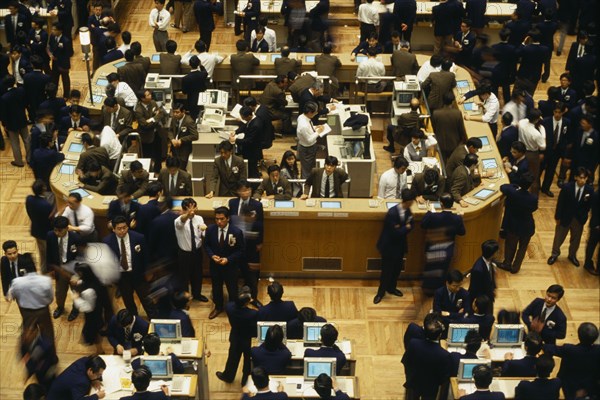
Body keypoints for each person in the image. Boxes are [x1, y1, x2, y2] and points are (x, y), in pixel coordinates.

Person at [374, 188, 415, 304]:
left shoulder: (408, 212)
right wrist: (405, 228)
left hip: (400, 246)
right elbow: (395, 232)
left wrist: (403, 227)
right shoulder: (392, 213)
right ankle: (380, 293)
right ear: (407, 201)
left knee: (397, 269)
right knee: (386, 271)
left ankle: (391, 288)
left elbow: (411, 225)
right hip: (389, 247)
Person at [104, 216, 150, 316]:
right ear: (113, 229)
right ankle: (134, 319)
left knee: (146, 299)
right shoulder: (107, 242)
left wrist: (147, 272)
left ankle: (154, 318)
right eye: (119, 229)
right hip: (122, 276)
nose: (122, 231)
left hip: (138, 273)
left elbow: (145, 256)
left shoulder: (138, 237)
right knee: (128, 300)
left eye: (124, 227)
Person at [548, 167, 594, 267]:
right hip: (565, 217)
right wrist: (557, 217)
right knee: (559, 237)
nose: (582, 180)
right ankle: (554, 254)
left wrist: (584, 218)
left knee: (576, 239)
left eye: (584, 178)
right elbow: (560, 204)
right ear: (575, 177)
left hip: (579, 219)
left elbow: (589, 206)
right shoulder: (567, 188)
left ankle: (572, 255)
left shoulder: (589, 190)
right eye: (580, 178)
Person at [421, 193, 466, 293]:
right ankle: (439, 290)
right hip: (447, 249)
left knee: (430, 269)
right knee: (443, 270)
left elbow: (423, 224)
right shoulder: (457, 218)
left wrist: (429, 211)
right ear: (453, 204)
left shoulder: (433, 216)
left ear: (441, 204)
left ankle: (428, 290)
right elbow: (462, 232)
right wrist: (461, 219)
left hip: (433, 248)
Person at [228, 180, 264, 304]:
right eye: (243, 190)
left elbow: (260, 224)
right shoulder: (232, 203)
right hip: (235, 243)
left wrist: (260, 242)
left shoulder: (257, 205)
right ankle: (236, 297)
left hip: (251, 244)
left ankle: (254, 297)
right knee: (235, 271)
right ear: (238, 191)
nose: (246, 192)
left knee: (253, 273)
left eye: (248, 190)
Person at [205, 207, 245, 319]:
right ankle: (218, 307)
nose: (219, 221)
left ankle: (233, 308)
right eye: (216, 219)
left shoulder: (236, 232)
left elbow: (240, 250)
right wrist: (212, 255)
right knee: (216, 288)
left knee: (232, 289)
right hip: (215, 266)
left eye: (221, 219)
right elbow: (206, 245)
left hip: (230, 267)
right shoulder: (210, 230)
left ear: (228, 218)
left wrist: (228, 259)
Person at [545, 322, 600, 400]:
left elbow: (549, 349)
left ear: (579, 335)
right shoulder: (598, 350)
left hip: (570, 386)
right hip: (591, 386)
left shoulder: (569, 349)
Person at [402, 314, 451, 400]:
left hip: (414, 382)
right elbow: (444, 379)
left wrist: (409, 377)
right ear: (439, 335)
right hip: (430, 388)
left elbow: (406, 361)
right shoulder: (444, 355)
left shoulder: (413, 343)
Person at [216, 287, 258, 385]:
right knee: (248, 359)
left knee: (232, 357)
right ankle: (245, 380)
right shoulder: (252, 314)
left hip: (235, 335)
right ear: (246, 303)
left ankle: (228, 376)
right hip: (247, 337)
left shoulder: (229, 307)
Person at [499, 172, 538, 274]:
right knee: (522, 247)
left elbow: (503, 187)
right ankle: (516, 267)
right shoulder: (533, 198)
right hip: (527, 226)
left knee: (510, 245)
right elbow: (534, 208)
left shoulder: (513, 192)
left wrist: (515, 186)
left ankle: (507, 263)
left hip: (514, 225)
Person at [46, 216, 81, 321]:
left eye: (59, 230)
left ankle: (75, 309)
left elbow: (81, 257)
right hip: (60, 269)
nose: (57, 232)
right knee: (60, 293)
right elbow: (48, 253)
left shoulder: (76, 238)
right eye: (55, 230)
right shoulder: (50, 236)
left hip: (74, 271)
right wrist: (50, 269)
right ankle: (60, 307)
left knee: (76, 292)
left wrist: (79, 274)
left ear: (66, 228)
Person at [174, 198, 208, 302]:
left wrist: (204, 230)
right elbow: (181, 222)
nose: (193, 211)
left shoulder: (199, 218)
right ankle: (185, 297)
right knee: (184, 277)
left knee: (197, 274)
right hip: (184, 254)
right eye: (189, 208)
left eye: (194, 207)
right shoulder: (179, 220)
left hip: (197, 251)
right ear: (184, 209)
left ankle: (197, 294)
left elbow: (202, 233)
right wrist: (188, 215)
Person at [71, 263, 108, 354]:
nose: (78, 276)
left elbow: (88, 307)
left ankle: (100, 351)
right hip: (98, 309)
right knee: (95, 331)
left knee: (93, 333)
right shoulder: (95, 280)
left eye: (79, 274)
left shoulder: (89, 291)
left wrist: (76, 299)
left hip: (92, 315)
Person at [540, 102, 570, 197]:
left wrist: (564, 154)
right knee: (540, 169)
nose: (557, 114)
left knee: (551, 171)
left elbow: (566, 138)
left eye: (559, 112)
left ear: (563, 112)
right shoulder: (545, 121)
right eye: (555, 112)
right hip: (545, 151)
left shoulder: (567, 122)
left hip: (557, 152)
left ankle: (545, 188)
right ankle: (535, 187)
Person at [25, 180, 54, 274]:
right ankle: (45, 270)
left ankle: (43, 269)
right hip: (45, 232)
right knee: (46, 253)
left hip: (36, 229)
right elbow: (51, 218)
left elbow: (29, 212)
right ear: (43, 189)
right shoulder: (46, 205)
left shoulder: (29, 199)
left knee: (42, 251)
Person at [0, 75, 29, 167]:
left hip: (11, 123)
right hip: (22, 119)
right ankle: (30, 158)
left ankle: (19, 161)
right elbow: (25, 103)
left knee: (15, 142)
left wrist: (4, 124)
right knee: (27, 139)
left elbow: (3, 113)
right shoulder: (21, 91)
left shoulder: (4, 98)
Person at [134, 88, 165, 174]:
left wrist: (153, 119)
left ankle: (158, 170)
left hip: (157, 132)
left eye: (149, 94)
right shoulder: (138, 110)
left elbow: (161, 113)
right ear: (142, 98)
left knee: (159, 152)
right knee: (148, 156)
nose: (150, 95)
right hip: (146, 136)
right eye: (148, 95)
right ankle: (149, 172)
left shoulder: (153, 103)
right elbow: (145, 125)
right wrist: (156, 119)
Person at [517, 108, 546, 194]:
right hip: (532, 154)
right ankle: (533, 195)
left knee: (521, 173)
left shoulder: (521, 122)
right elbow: (543, 147)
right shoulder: (536, 133)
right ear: (537, 119)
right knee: (534, 176)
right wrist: (543, 134)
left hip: (521, 151)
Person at [432, 92, 467, 161]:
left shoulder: (435, 113)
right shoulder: (457, 113)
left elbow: (434, 128)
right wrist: (465, 141)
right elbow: (461, 130)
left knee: (443, 163)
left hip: (440, 143)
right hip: (454, 144)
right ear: (453, 101)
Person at [468, 240, 499, 306]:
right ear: (492, 254)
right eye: (497, 252)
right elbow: (475, 289)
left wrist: (493, 289)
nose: (498, 253)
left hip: (489, 295)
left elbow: (491, 277)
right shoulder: (478, 269)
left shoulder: (489, 260)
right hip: (482, 301)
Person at [47, 22, 73, 98]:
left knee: (65, 80)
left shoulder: (66, 40)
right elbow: (50, 46)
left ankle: (66, 95)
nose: (52, 31)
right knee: (54, 79)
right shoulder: (52, 36)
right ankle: (53, 94)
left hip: (63, 63)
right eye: (52, 29)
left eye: (54, 30)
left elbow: (69, 53)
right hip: (55, 63)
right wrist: (51, 54)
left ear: (60, 31)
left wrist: (58, 57)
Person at [169, 102, 198, 168]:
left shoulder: (189, 121)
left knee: (181, 168)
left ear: (183, 112)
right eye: (174, 112)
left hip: (184, 150)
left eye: (177, 112)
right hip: (174, 148)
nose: (175, 114)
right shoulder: (174, 119)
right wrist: (172, 139)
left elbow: (195, 135)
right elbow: (170, 130)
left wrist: (181, 140)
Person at [182, 55, 209, 120]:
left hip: (191, 101)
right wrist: (201, 65)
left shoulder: (185, 78)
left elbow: (184, 92)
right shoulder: (203, 74)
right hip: (202, 99)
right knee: (203, 118)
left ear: (189, 64)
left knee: (193, 118)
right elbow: (205, 71)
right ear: (198, 64)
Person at [584, 190, 599, 276]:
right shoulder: (596, 195)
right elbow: (595, 212)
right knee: (591, 245)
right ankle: (588, 263)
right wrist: (596, 225)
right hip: (596, 226)